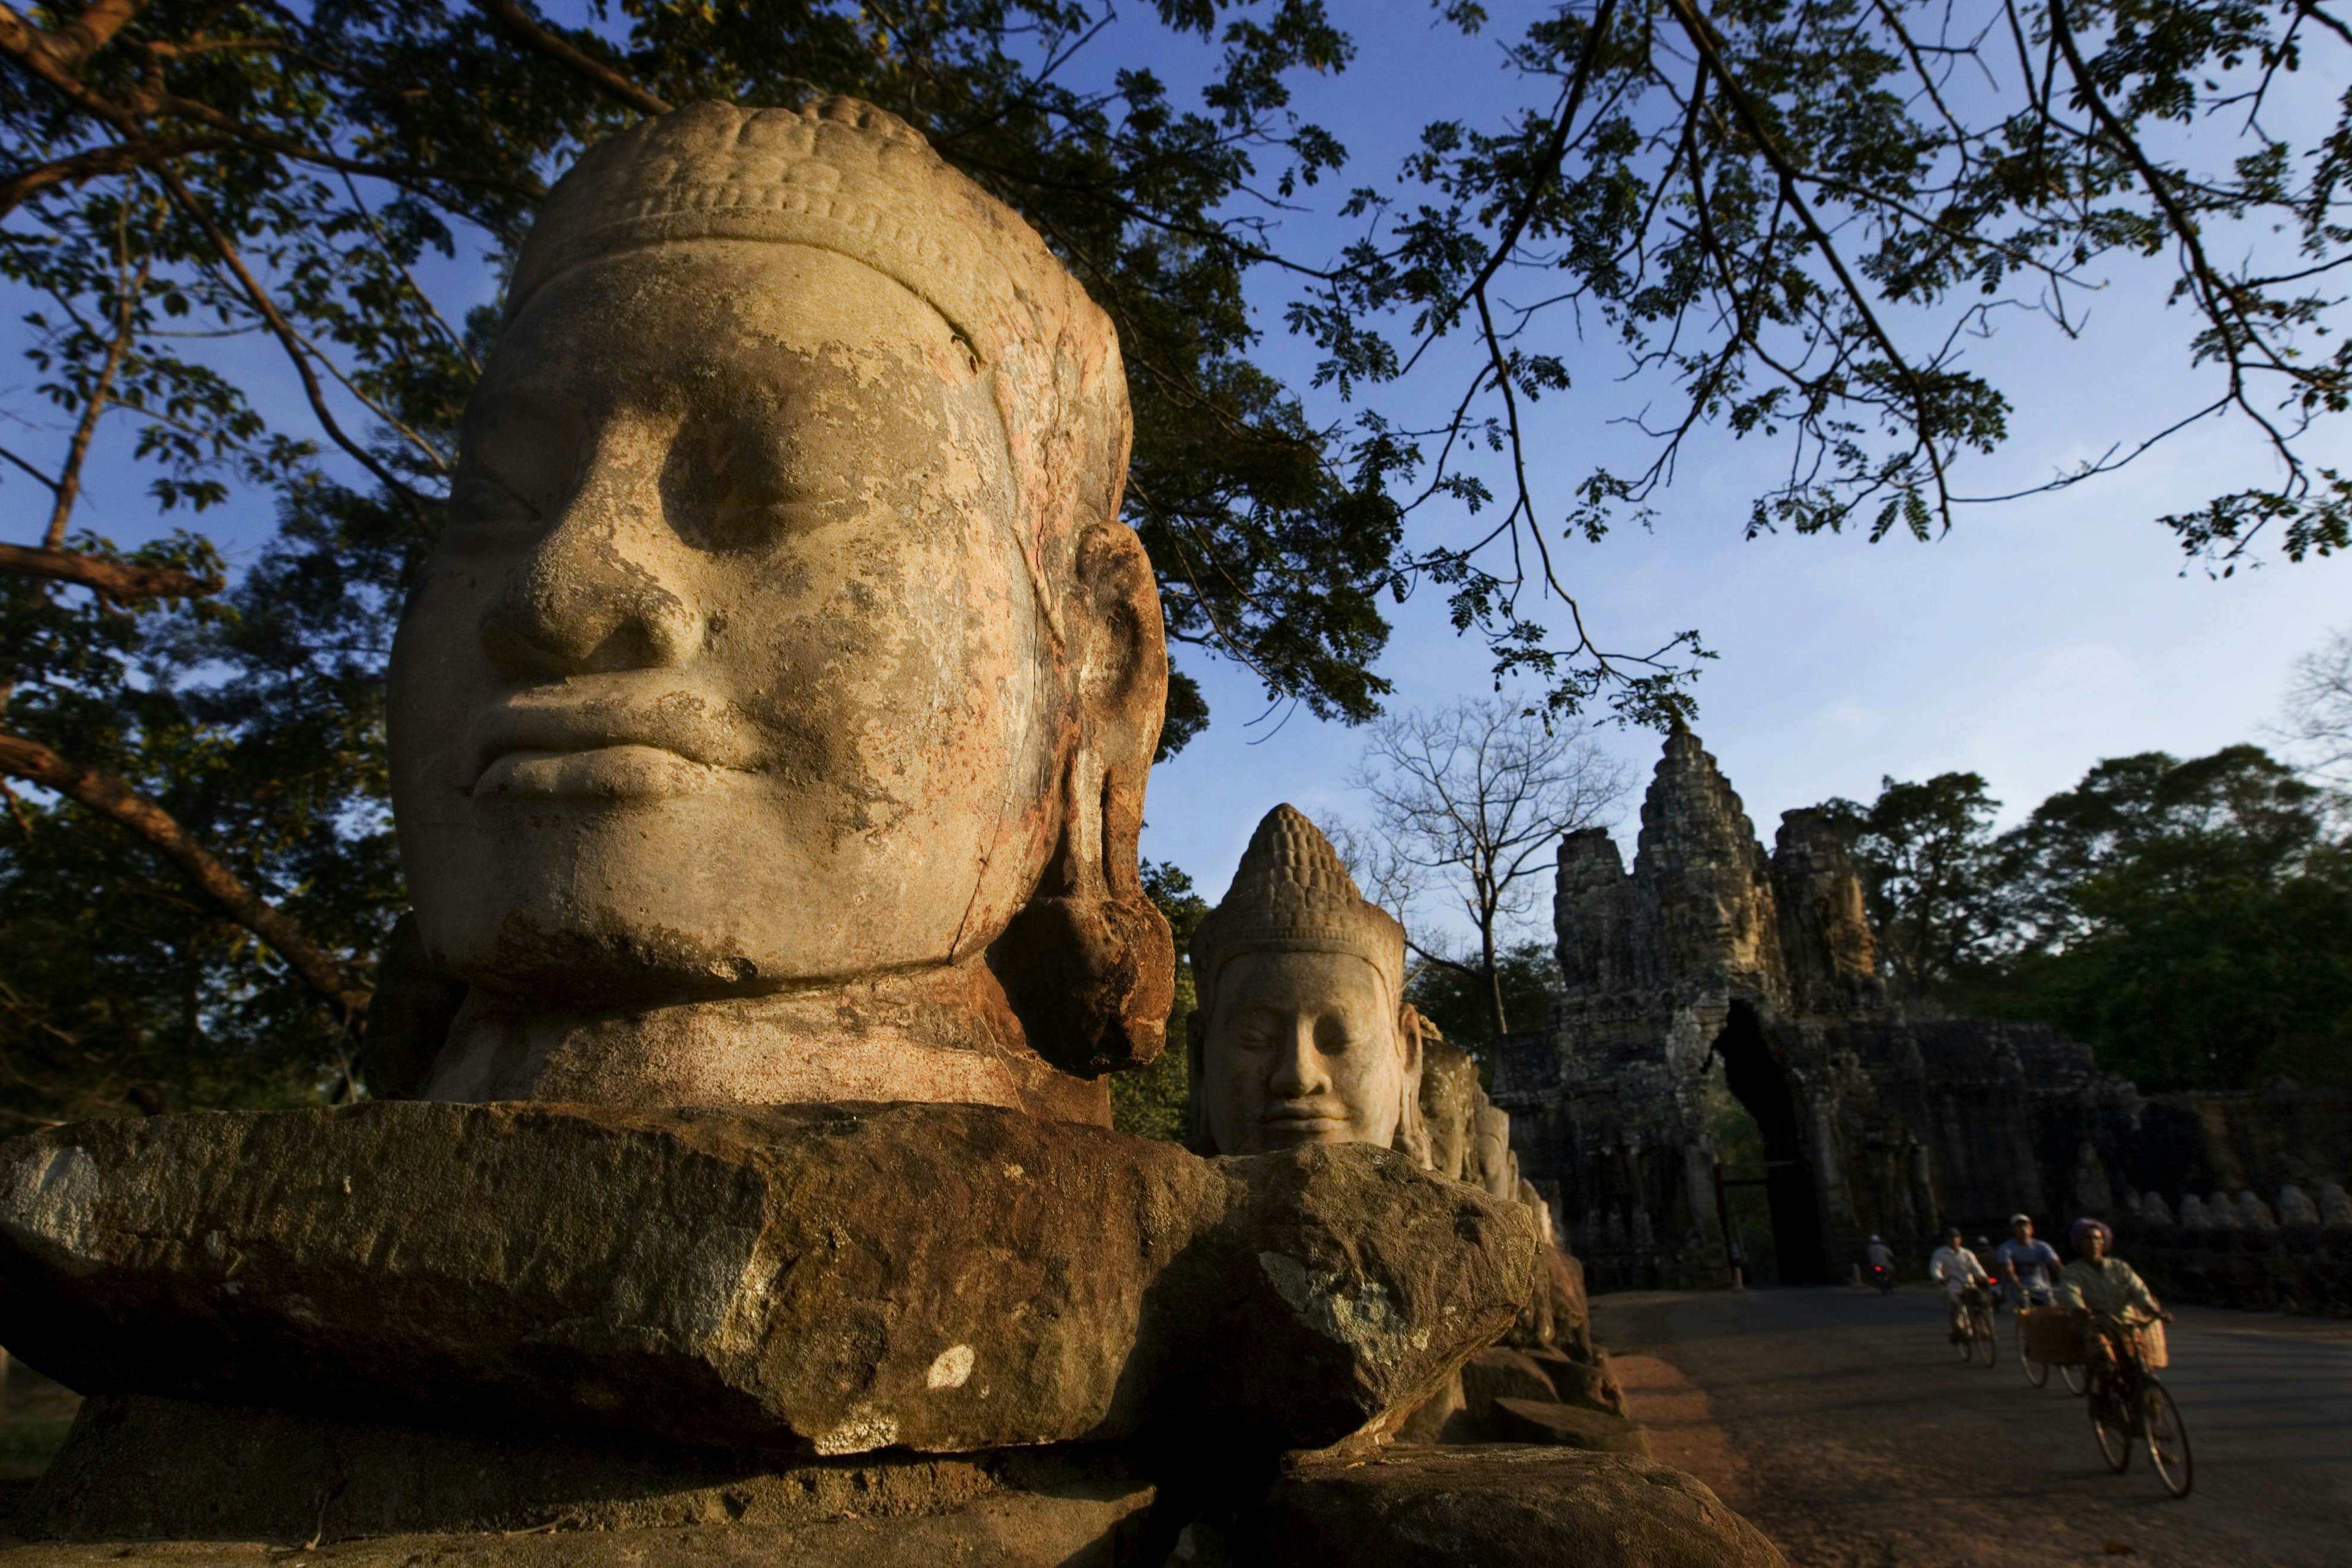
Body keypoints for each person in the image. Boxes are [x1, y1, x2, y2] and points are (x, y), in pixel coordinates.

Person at [2058, 1218, 2171, 1361]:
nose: (2094, 1243)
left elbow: (2139, 1290)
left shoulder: (2120, 1268)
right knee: (2104, 1355)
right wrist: (2080, 1309)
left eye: (2098, 1239)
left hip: (2125, 1323)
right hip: (2094, 1324)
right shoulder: (2072, 1272)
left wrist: (2155, 1310)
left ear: (2104, 1243)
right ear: (2079, 1243)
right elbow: (2071, 1293)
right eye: (2088, 1238)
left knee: (2141, 1356)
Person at [1930, 1226, 1990, 1341]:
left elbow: (1976, 1267)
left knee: (1980, 1302)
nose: (1954, 1240)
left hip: (1968, 1285)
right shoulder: (1940, 1254)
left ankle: (1982, 1329)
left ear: (1960, 1239)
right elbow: (1935, 1269)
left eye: (1956, 1238)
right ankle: (1958, 1331)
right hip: (1951, 1286)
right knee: (1956, 1307)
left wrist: (1983, 1276)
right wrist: (1940, 1279)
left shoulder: (1967, 1254)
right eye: (1951, 1238)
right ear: (1947, 1240)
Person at [1996, 1213, 2062, 1307]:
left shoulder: (2042, 1247)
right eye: (2019, 1227)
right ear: (2013, 1230)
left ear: (2031, 1229)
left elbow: (2056, 1265)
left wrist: (2067, 1280)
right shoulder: (2006, 1248)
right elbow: (2008, 1270)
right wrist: (2019, 1286)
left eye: (2025, 1226)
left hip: (2042, 1290)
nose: (2023, 1229)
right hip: (2018, 1292)